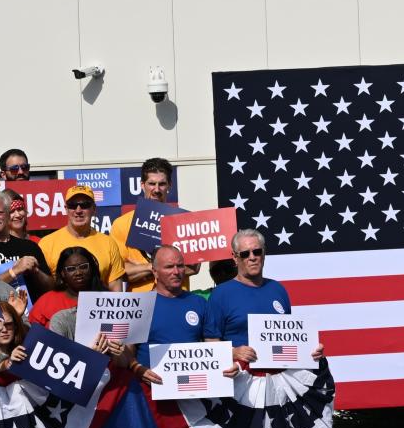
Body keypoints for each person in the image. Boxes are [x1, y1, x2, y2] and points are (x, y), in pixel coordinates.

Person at [205, 229, 323, 364]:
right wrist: (233, 352)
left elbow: (289, 336)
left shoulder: (278, 289)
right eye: (245, 254)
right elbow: (211, 340)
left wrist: (309, 350)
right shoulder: (220, 294)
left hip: (280, 375)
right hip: (242, 377)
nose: (252, 257)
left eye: (257, 251)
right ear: (235, 257)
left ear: (264, 253)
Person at [129, 245, 224, 385]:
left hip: (191, 389)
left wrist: (229, 358)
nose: (176, 272)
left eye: (180, 266)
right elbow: (127, 349)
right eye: (169, 267)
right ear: (155, 272)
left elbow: (213, 344)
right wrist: (137, 368)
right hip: (149, 392)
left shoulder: (199, 302)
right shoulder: (139, 305)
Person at [109, 158, 197, 292]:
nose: (156, 189)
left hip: (177, 300)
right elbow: (120, 273)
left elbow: (193, 267)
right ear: (142, 185)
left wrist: (140, 268)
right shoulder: (121, 224)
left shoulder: (183, 221)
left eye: (162, 184)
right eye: (151, 183)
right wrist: (156, 267)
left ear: (170, 185)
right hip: (139, 304)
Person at [38, 185, 125, 291]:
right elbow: (42, 288)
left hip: (96, 306)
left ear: (94, 209)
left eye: (84, 205)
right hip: (61, 306)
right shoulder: (46, 243)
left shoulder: (108, 243)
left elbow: (115, 288)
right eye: (73, 205)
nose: (78, 210)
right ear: (66, 209)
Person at [30, 247, 108, 327]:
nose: (78, 272)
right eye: (71, 269)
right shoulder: (46, 301)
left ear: (91, 268)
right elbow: (32, 334)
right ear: (63, 273)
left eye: (83, 267)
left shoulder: (108, 300)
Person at [0, 189, 53, 302]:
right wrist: (14, 271)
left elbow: (51, 289)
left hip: (30, 317)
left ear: (7, 214)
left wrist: (36, 271)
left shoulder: (30, 247)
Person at [0, 300, 28, 373]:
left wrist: (17, 317)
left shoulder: (26, 341)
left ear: (15, 326)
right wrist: (9, 362)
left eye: (8, 324)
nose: (4, 330)